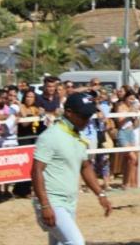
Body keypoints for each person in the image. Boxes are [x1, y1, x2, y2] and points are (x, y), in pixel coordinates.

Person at [31, 92, 113, 245]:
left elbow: (85, 166)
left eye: (89, 116)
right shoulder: (50, 136)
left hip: (69, 201)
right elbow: (36, 171)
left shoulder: (76, 136)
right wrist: (45, 205)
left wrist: (100, 194)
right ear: (68, 112)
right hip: (52, 201)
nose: (87, 120)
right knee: (75, 242)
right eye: (83, 116)